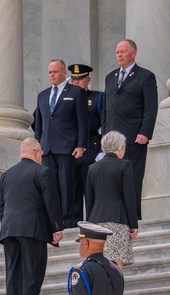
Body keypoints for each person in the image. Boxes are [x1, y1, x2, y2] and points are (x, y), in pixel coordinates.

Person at [0, 137, 64, 295]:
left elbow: (2, 207)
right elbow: (50, 202)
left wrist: (8, 225)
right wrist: (56, 228)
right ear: (36, 152)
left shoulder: (6, 175)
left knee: (13, 275)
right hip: (33, 230)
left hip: (9, 230)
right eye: (41, 152)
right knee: (32, 273)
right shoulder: (42, 171)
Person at [101, 39, 158, 219]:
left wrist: (145, 132)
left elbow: (151, 107)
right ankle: (114, 214)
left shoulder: (145, 76)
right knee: (111, 177)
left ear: (133, 53)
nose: (119, 55)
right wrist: (104, 133)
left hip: (133, 138)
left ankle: (133, 216)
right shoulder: (110, 77)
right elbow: (106, 108)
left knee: (132, 177)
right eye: (117, 52)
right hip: (111, 139)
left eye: (123, 52)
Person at [33, 59, 88, 229]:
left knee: (67, 186)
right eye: (49, 72)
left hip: (67, 148)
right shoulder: (42, 96)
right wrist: (38, 147)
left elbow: (82, 122)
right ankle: (55, 222)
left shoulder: (76, 92)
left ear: (64, 73)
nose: (52, 75)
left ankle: (69, 221)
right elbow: (39, 126)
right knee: (51, 187)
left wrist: (81, 145)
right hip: (47, 148)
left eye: (55, 72)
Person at [86, 131, 139, 270]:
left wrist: (89, 225)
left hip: (96, 223)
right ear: (120, 148)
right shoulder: (124, 165)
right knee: (116, 266)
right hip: (118, 222)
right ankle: (114, 292)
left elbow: (89, 200)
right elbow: (129, 196)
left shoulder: (92, 168)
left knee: (98, 266)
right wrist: (134, 224)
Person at [68, 64, 103, 214]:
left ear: (87, 80)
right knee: (73, 191)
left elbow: (104, 121)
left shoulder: (98, 97)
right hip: (70, 148)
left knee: (90, 190)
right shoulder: (66, 97)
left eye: (80, 79)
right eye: (73, 80)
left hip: (91, 147)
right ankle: (73, 227)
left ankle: (92, 227)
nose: (76, 82)